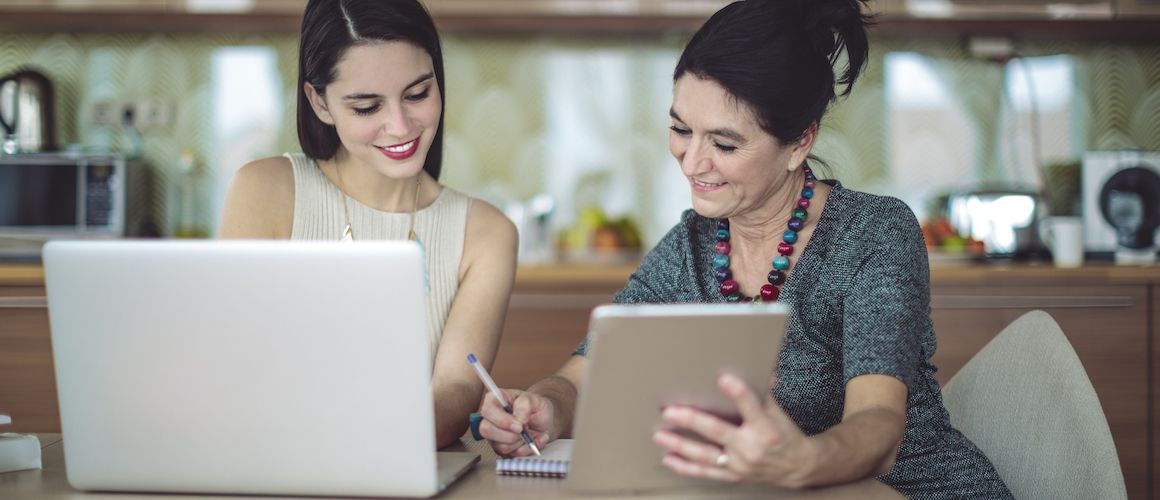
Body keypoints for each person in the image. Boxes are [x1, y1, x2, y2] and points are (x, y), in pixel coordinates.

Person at [476, 0, 1012, 496]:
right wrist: (546, 404)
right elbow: (584, 375)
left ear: (800, 140)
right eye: (681, 129)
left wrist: (800, 460)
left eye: (725, 144)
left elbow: (880, 427)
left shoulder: (871, 234)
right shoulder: (691, 246)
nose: (691, 162)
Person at [219, 0, 518, 449]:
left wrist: (363, 446)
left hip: (402, 472)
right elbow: (234, 369)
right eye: (365, 107)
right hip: (273, 466)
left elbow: (455, 392)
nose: (400, 126)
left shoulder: (486, 233)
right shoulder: (265, 191)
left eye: (418, 94)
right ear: (319, 102)